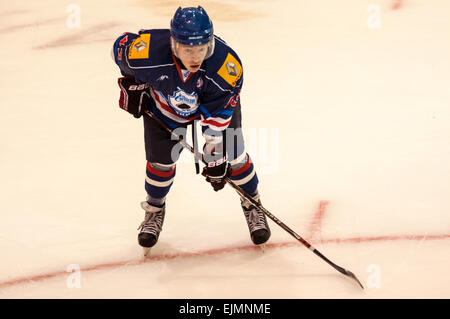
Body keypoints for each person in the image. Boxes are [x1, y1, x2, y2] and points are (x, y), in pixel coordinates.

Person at [111, 6, 270, 252]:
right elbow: (119, 49)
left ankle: (253, 204)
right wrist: (131, 84)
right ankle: (154, 210)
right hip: (165, 109)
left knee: (234, 157)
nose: (195, 57)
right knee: (160, 164)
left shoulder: (225, 67)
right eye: (188, 50)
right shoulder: (148, 53)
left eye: (201, 49)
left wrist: (215, 155)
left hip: (214, 109)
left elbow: (218, 117)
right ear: (174, 44)